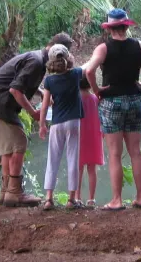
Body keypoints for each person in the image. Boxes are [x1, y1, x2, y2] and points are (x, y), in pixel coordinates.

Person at [85, 9, 141, 211]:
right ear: (126, 26)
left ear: (110, 28)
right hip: (134, 100)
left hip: (111, 102)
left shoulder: (103, 49)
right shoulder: (139, 46)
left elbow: (89, 70)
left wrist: (97, 90)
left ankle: (116, 200)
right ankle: (140, 198)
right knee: (135, 152)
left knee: (114, 154)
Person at [0, 32, 74, 206]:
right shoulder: (36, 62)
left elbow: (24, 84)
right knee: (19, 142)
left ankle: (6, 192)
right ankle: (15, 192)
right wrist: (34, 114)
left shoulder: (37, 58)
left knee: (8, 149)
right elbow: (16, 90)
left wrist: (43, 95)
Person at [38, 44, 85, 211]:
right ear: (68, 58)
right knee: (73, 159)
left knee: (53, 159)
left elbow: (44, 106)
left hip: (57, 123)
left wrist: (42, 124)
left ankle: (49, 198)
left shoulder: (49, 81)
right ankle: (72, 199)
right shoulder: (75, 74)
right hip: (73, 122)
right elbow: (88, 65)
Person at [74, 75, 104, 206]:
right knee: (92, 169)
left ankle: (77, 197)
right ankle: (91, 199)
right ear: (90, 84)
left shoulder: (75, 99)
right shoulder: (95, 99)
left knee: (78, 168)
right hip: (94, 137)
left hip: (79, 136)